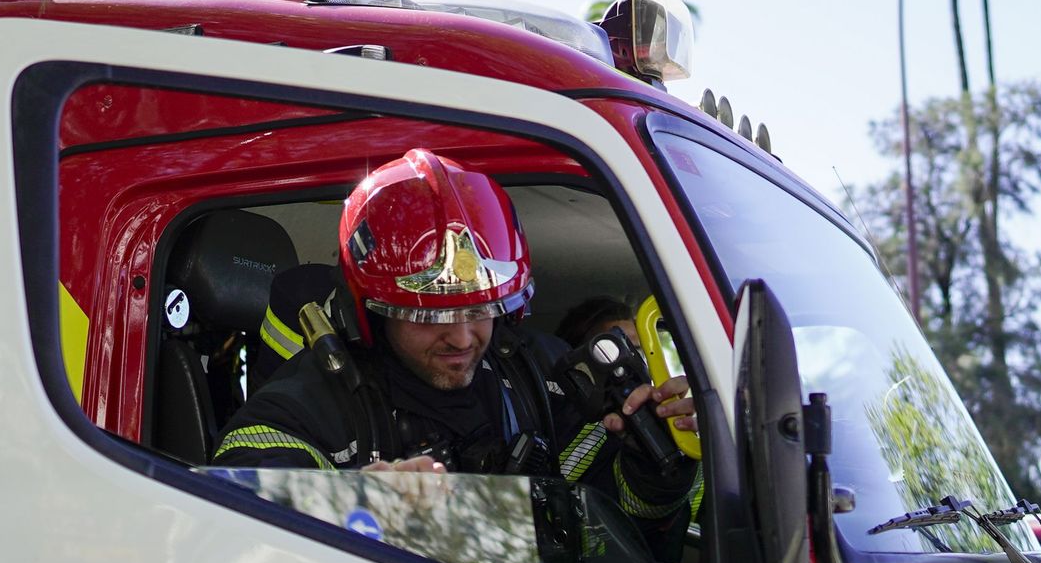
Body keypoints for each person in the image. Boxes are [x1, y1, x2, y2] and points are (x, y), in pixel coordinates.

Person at [213, 149, 700, 542]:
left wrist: (656, 458)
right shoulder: (306, 405)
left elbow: (620, 530)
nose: (464, 338)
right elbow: (228, 527)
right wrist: (356, 505)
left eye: (479, 310)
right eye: (430, 316)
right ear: (371, 310)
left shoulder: (543, 376)